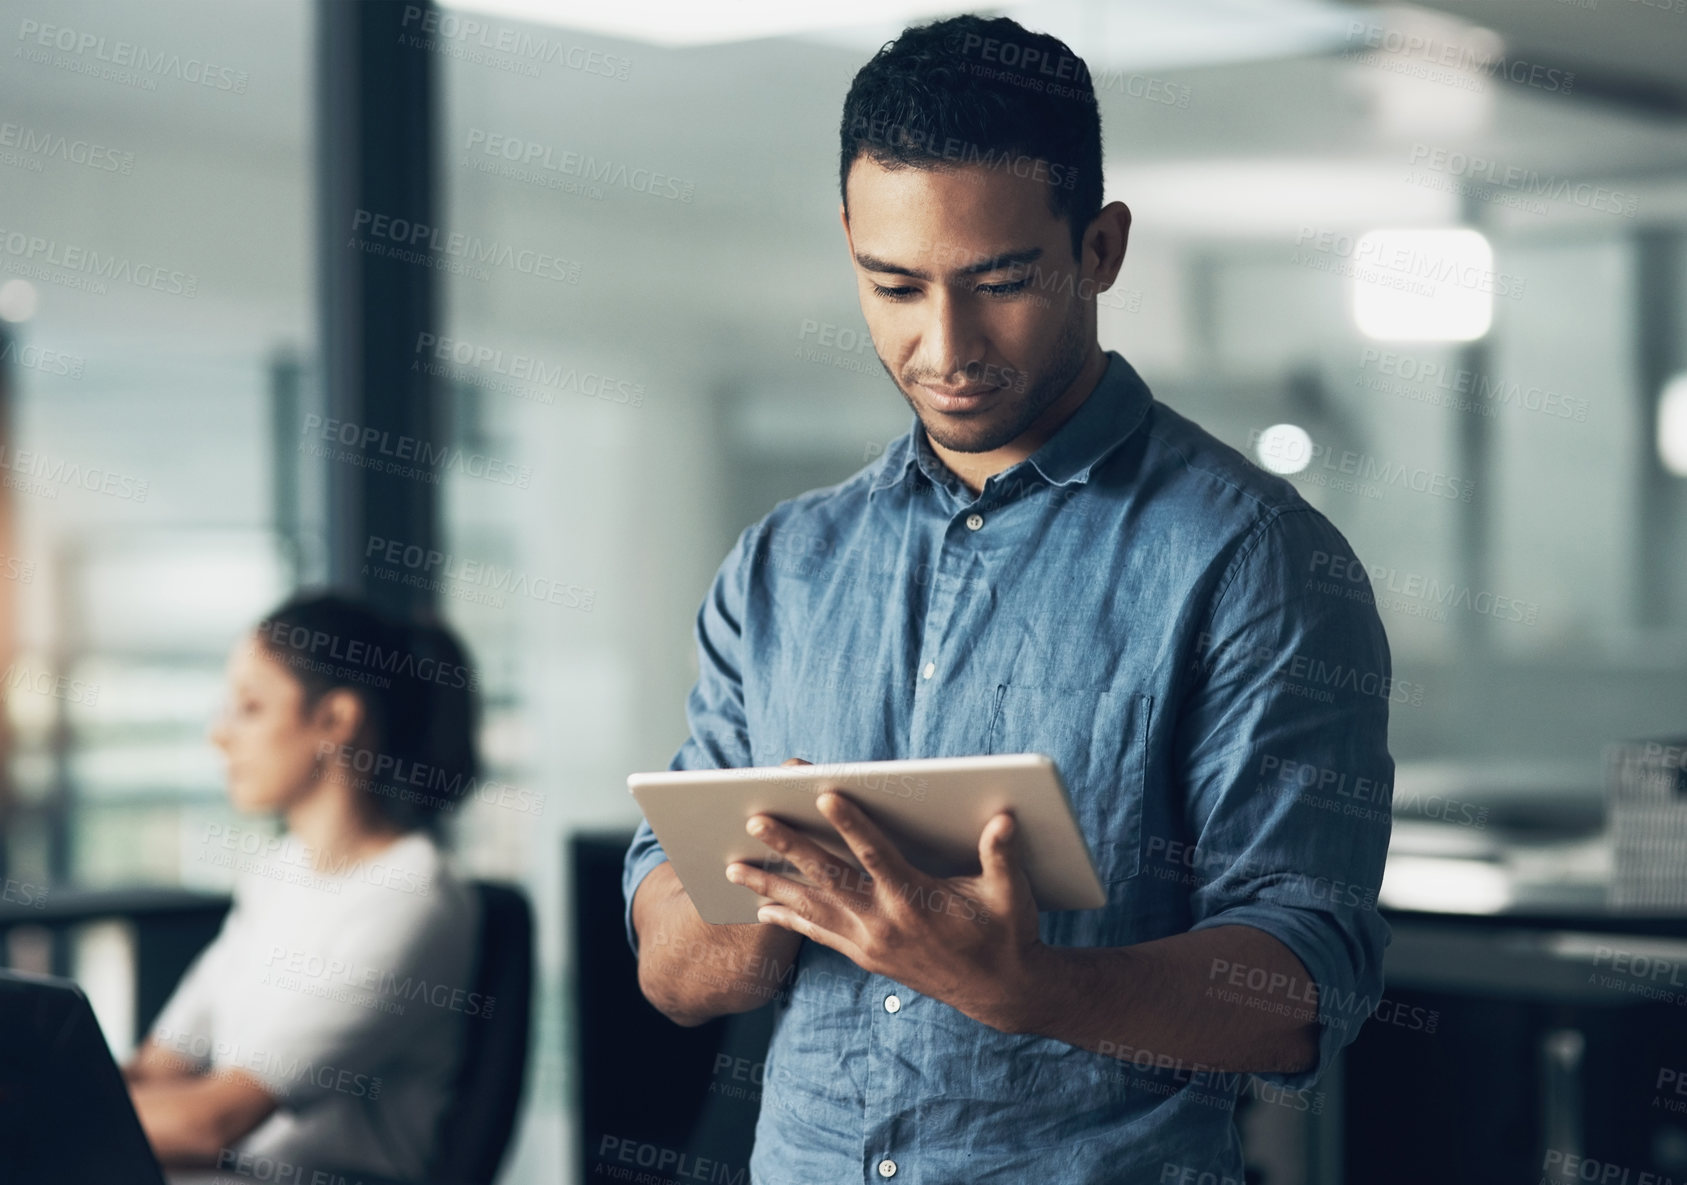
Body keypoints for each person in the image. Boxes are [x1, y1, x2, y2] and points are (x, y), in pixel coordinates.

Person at [622, 13, 1396, 1184]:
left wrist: (1026, 986)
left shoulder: (1257, 561)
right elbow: (672, 974)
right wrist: (774, 894)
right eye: (893, 284)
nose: (945, 345)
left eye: (1000, 282)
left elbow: (1299, 988)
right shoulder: (782, 566)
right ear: (847, 242)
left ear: (1099, 249)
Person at [123, 592, 482, 1180]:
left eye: (250, 706)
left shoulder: (414, 897)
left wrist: (38, 1114)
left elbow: (214, 1120)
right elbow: (159, 1068)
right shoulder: (279, 873)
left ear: (336, 720)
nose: (220, 735)